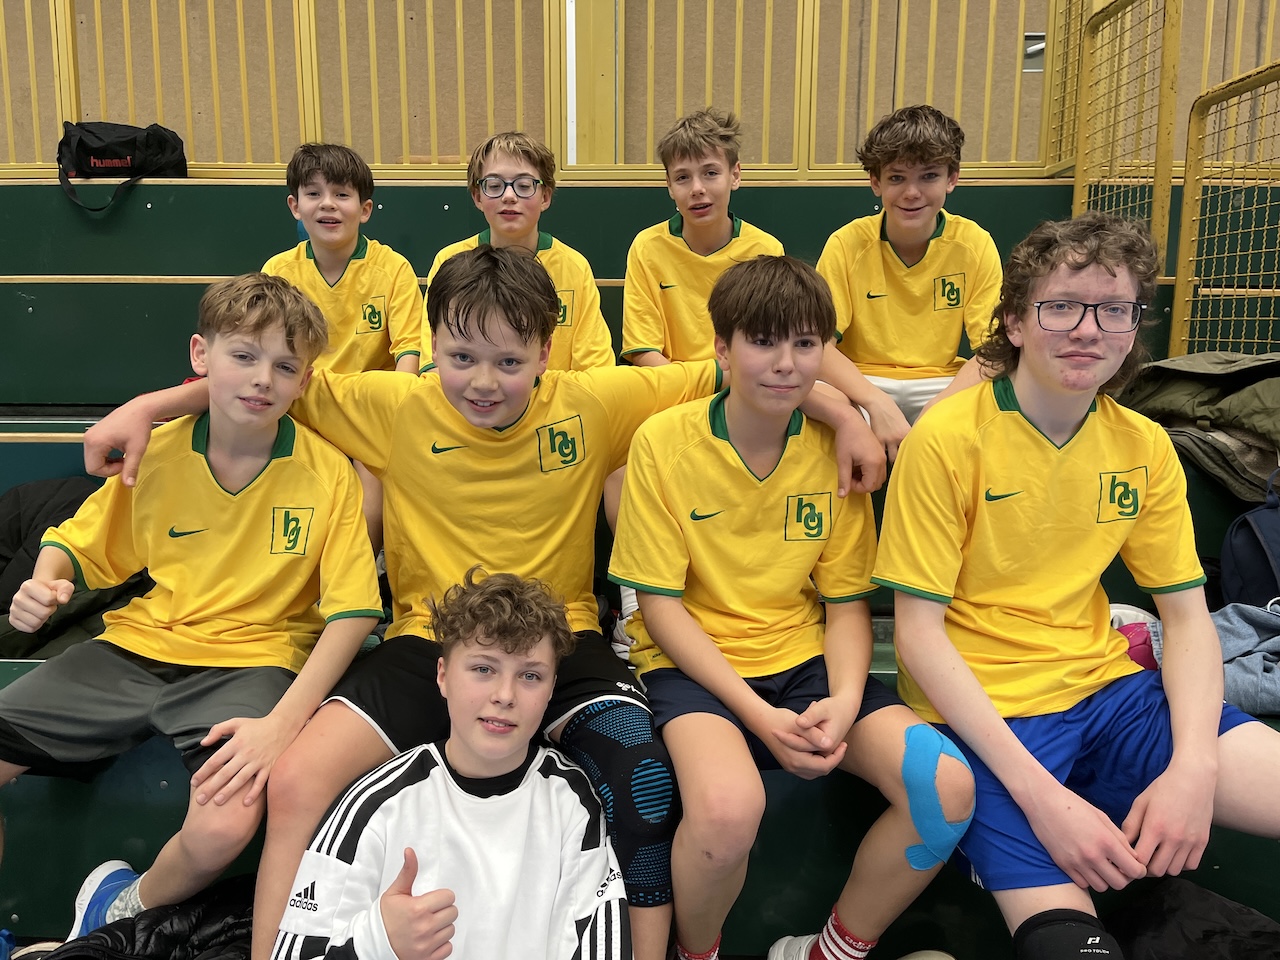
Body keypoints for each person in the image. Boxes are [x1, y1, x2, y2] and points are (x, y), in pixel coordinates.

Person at [82, 245, 885, 960]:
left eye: (509, 361)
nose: (483, 382)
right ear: (431, 346)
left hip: (560, 643)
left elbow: (743, 372)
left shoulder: (593, 401)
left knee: (644, 784)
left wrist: (843, 416)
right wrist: (149, 407)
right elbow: (264, 381)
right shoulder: (391, 405)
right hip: (426, 643)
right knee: (293, 782)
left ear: (546, 353)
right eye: (461, 357)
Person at [873, 211, 1280, 959]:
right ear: (1015, 322)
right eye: (1061, 306)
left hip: (1112, 694)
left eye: (1114, 309)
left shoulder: (1143, 444)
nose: (1088, 329)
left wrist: (1193, 768)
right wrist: (1044, 800)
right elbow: (918, 637)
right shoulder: (948, 439)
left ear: (1132, 328)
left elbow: (1187, 618)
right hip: (989, 723)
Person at [609, 255, 971, 960]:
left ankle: (827, 952)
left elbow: (846, 606)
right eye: (763, 341)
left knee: (946, 788)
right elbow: (661, 609)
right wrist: (758, 715)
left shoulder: (835, 451)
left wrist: (843, 701)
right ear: (722, 349)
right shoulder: (663, 442)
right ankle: (698, 952)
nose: (786, 363)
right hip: (695, 669)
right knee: (726, 813)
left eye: (806, 343)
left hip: (806, 661)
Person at [2, 274, 381, 939]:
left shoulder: (328, 474)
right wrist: (46, 581)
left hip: (253, 662)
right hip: (134, 650)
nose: (262, 378)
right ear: (201, 356)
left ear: (304, 381)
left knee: (224, 827)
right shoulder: (160, 450)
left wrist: (282, 722)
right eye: (245, 356)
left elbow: (353, 612)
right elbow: (77, 542)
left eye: (284, 365)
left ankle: (118, 911)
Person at [274, 567, 630, 960]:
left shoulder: (573, 805)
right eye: (483, 669)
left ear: (551, 690)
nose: (505, 695)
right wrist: (378, 943)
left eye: (530, 676)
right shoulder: (374, 804)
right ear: (442, 676)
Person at [262, 142, 423, 550]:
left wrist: (393, 413)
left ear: (364, 209)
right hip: (303, 406)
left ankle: (365, 570)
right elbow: (267, 351)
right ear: (295, 206)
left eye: (341, 194)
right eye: (313, 193)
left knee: (371, 500)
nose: (327, 204)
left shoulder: (393, 269)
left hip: (368, 414)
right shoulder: (279, 271)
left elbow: (409, 352)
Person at [816, 104, 1002, 427]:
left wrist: (938, 408)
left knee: (1003, 395)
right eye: (897, 178)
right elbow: (817, 345)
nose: (912, 193)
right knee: (812, 393)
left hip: (941, 383)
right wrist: (875, 403)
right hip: (861, 380)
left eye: (929, 176)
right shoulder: (846, 244)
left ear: (951, 178)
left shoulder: (975, 244)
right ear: (876, 182)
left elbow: (995, 350)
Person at [418, 131, 615, 373]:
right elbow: (434, 364)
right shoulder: (450, 261)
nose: (509, 196)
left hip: (555, 396)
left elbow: (596, 370)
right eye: (494, 186)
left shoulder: (574, 266)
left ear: (545, 197)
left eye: (524, 186)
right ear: (477, 196)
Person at [620, 108, 783, 367]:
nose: (697, 189)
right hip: (672, 383)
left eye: (711, 173)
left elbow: (769, 346)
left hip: (741, 382)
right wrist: (695, 384)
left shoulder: (765, 250)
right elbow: (643, 351)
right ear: (669, 186)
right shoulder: (646, 247)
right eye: (683, 177)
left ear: (735, 175)